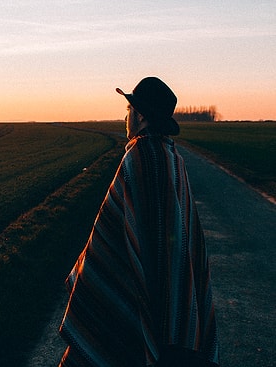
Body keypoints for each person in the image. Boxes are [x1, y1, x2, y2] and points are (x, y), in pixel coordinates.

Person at [58, 77, 219, 366]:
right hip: (157, 299)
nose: (125, 116)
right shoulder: (171, 155)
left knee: (118, 350)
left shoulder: (141, 155)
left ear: (141, 115)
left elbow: (131, 234)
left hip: (132, 295)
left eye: (129, 109)